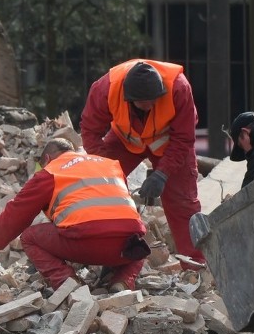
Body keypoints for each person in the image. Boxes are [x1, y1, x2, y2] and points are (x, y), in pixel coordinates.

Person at [0, 138, 151, 292]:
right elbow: (115, 208)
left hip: (86, 243)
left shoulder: (51, 171)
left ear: (47, 158)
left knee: (29, 237)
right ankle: (123, 280)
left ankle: (68, 283)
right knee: (139, 243)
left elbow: (17, 213)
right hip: (125, 248)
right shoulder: (109, 164)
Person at [79, 59, 206, 268]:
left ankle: (196, 267)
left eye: (155, 100)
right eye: (145, 103)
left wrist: (162, 173)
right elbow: (90, 132)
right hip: (124, 140)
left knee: (183, 203)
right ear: (130, 99)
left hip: (170, 143)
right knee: (99, 189)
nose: (152, 106)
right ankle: (99, 255)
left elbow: (184, 138)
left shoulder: (179, 87)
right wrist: (107, 171)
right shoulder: (105, 89)